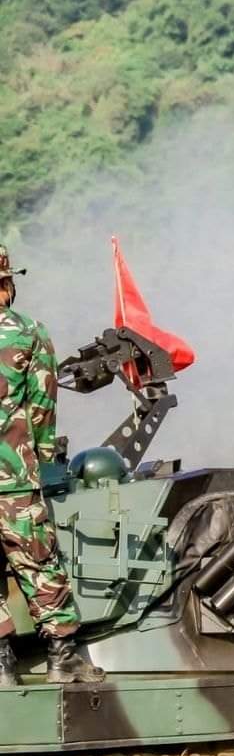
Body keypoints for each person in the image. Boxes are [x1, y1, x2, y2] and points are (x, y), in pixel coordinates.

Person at [0, 246, 104, 684]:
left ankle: (2, 666)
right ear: (7, 284)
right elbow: (41, 408)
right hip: (14, 481)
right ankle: (63, 658)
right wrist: (43, 460)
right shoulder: (29, 333)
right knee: (39, 563)